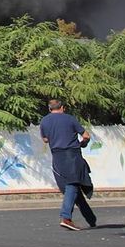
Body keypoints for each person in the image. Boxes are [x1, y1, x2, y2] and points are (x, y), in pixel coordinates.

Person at [39, 98, 97, 230]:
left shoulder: (44, 121)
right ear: (63, 108)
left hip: (57, 157)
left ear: (49, 109)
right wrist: (83, 143)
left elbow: (45, 139)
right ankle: (66, 217)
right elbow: (86, 135)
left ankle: (91, 219)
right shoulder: (70, 119)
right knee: (73, 184)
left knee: (70, 188)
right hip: (72, 155)